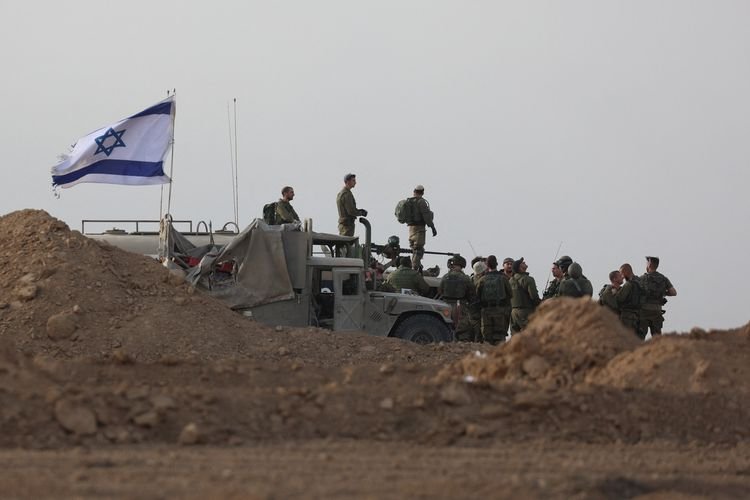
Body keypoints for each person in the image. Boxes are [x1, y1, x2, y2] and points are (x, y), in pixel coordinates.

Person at [476, 255, 512, 345]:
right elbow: (510, 294)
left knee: (487, 338)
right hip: (500, 311)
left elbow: (477, 296)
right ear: (497, 264)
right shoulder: (504, 278)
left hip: (486, 311)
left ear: (487, 265)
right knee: (500, 337)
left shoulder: (482, 279)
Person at [438, 255, 475, 342]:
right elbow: (472, 293)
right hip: (460, 306)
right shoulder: (465, 278)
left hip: (446, 306)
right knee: (463, 331)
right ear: (462, 265)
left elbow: (440, 290)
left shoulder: (445, 277)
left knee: (447, 329)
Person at [639, 256, 677, 336]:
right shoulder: (663, 278)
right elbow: (673, 292)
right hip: (657, 311)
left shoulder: (642, 279)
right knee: (657, 338)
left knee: (640, 336)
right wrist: (664, 293)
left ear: (649, 264)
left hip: (644, 311)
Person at [407, 185, 437, 270]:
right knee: (418, 250)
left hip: (411, 229)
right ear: (422, 192)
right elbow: (426, 216)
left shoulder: (410, 201)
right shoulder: (421, 202)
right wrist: (432, 227)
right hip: (419, 229)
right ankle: (414, 268)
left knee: (414, 249)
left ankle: (416, 266)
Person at [509, 258, 541, 333]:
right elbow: (534, 297)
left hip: (513, 313)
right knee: (530, 335)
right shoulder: (528, 279)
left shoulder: (510, 280)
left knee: (515, 337)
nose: (525, 262)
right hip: (526, 312)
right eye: (522, 263)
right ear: (520, 267)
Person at [617, 263, 643, 338]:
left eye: (621, 273)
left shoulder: (628, 284)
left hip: (627, 316)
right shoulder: (640, 281)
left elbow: (620, 298)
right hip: (639, 315)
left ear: (625, 272)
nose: (621, 276)